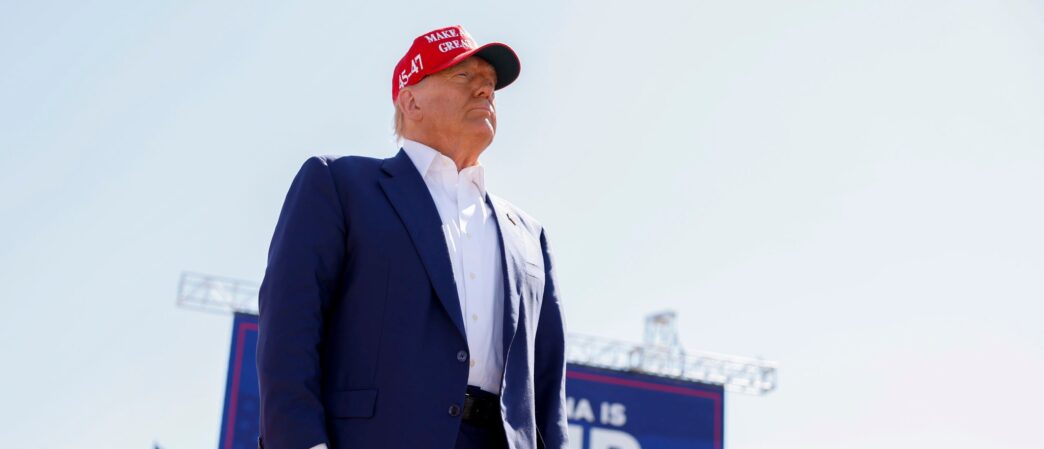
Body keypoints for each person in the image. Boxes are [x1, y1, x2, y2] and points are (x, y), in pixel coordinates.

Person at [256, 25, 568, 449]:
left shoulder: (529, 235)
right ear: (410, 99)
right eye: (464, 77)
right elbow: (289, 330)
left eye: (490, 84)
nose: (485, 92)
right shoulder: (340, 185)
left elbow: (547, 385)